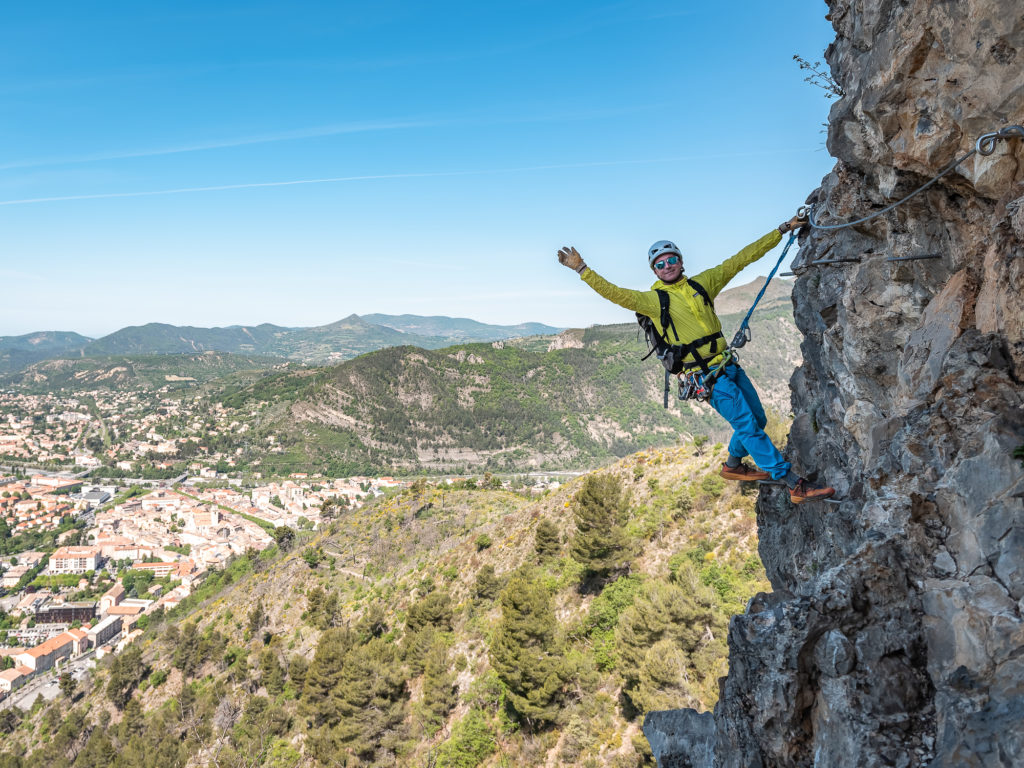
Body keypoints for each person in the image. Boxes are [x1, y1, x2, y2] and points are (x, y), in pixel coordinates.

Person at [556, 217, 835, 504]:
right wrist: (582, 269)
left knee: (757, 419)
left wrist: (782, 230)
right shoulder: (652, 301)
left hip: (727, 365)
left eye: (671, 259)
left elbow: (741, 259)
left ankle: (733, 466)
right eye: (660, 264)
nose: (667, 267)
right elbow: (615, 294)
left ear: (680, 260)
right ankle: (792, 483)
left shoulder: (703, 284)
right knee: (748, 427)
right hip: (705, 377)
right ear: (654, 270)